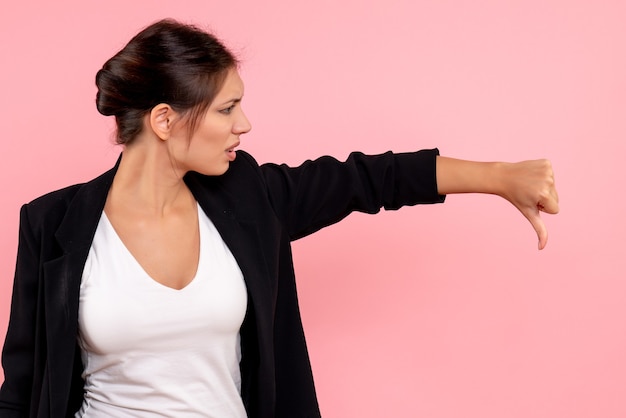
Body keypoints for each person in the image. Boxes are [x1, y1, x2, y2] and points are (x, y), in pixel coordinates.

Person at [0, 18, 558, 418]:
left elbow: (365, 178)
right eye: (226, 108)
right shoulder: (53, 224)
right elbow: (20, 389)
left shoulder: (248, 197)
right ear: (165, 120)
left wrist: (500, 177)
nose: (244, 124)